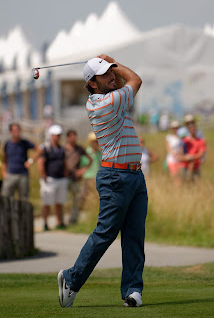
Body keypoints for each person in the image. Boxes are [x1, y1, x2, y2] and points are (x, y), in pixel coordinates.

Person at [58, 55, 148, 308]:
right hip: (116, 177)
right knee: (106, 233)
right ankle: (71, 278)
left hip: (134, 176)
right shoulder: (106, 102)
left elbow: (122, 82)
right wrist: (113, 60)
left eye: (111, 71)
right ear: (93, 84)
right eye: (105, 74)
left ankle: (132, 290)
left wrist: (108, 66)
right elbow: (135, 79)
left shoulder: (111, 97)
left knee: (134, 235)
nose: (112, 76)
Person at [37, 124, 68, 230]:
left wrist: (66, 174)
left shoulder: (61, 148)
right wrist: (43, 175)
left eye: (59, 135)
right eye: (56, 135)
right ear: (51, 135)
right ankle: (45, 223)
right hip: (49, 178)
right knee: (47, 202)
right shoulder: (46, 148)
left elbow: (64, 162)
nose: (58, 137)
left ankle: (59, 222)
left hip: (61, 178)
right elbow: (41, 162)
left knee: (59, 202)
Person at [1, 122, 42, 200]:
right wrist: (4, 172)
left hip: (23, 175)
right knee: (6, 198)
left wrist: (30, 161)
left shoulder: (24, 143)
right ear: (11, 132)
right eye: (16, 130)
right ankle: (8, 212)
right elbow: (4, 160)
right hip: (10, 175)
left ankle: (22, 212)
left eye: (19, 130)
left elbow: (39, 150)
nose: (18, 132)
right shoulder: (7, 144)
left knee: (24, 199)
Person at [65, 129, 92, 224]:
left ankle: (73, 220)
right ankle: (63, 220)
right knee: (65, 200)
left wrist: (82, 170)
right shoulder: (64, 149)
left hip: (76, 178)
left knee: (76, 199)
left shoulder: (79, 148)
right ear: (67, 138)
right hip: (65, 177)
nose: (74, 138)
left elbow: (90, 160)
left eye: (75, 135)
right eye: (71, 136)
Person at [165, 120, 183, 184]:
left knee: (179, 175)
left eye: (177, 128)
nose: (176, 129)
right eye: (174, 128)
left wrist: (181, 155)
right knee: (174, 175)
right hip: (171, 159)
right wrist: (174, 153)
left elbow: (181, 149)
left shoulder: (180, 138)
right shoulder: (169, 137)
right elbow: (168, 148)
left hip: (179, 158)